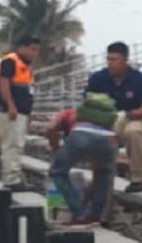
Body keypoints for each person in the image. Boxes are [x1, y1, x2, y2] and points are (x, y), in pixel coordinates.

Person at [86, 42, 142, 194]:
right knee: (93, 134)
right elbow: (87, 103)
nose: (110, 63)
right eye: (108, 59)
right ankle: (98, 180)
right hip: (104, 120)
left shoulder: (139, 79)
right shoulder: (97, 78)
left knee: (134, 132)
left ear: (125, 60)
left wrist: (126, 114)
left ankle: (138, 178)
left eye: (114, 59)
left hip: (130, 118)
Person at [47, 93, 120, 228]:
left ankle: (79, 214)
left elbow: (51, 128)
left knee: (57, 172)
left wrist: (56, 150)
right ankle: (95, 215)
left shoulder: (67, 113)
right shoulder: (105, 117)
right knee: (103, 174)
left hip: (81, 134)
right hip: (109, 138)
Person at [0, 36, 40, 191]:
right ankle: (11, 180)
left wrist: (28, 113)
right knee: (12, 145)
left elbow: (28, 90)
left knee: (17, 145)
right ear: (23, 47)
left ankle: (14, 177)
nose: (35, 53)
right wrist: (11, 105)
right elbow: (3, 83)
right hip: (11, 112)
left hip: (21, 112)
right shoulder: (10, 61)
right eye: (33, 49)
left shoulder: (26, 66)